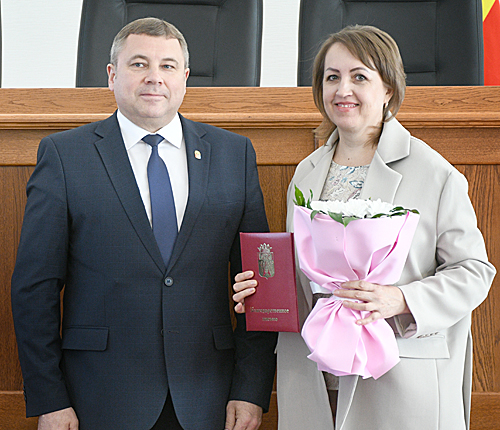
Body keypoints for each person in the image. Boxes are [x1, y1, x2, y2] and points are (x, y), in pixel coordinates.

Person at [11, 17, 277, 430]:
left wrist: (251, 388)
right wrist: (50, 399)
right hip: (98, 396)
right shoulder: (65, 156)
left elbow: (260, 282)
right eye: (138, 64)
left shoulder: (234, 154)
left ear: (184, 78)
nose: (154, 77)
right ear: (112, 75)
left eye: (168, 66)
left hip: (208, 395)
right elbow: (35, 288)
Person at [233, 25, 495, 430]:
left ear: (388, 88)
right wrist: (260, 292)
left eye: (359, 77)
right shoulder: (306, 172)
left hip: (397, 377)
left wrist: (401, 299)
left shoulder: (434, 172)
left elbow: (474, 272)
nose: (343, 90)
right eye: (332, 77)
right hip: (314, 375)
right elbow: (304, 278)